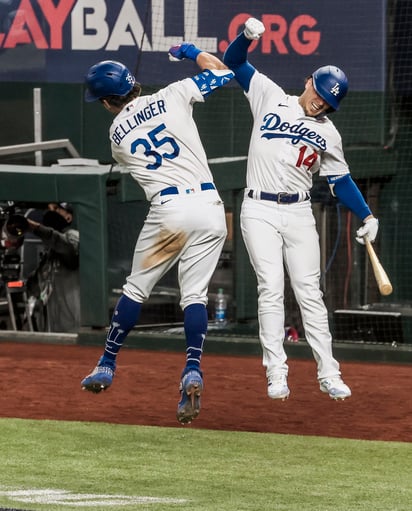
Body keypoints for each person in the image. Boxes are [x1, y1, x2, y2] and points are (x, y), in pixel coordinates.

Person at [216, 18, 378, 401]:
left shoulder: (329, 133)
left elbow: (341, 182)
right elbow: (234, 61)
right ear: (309, 81)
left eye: (329, 100)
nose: (321, 101)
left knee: (310, 292)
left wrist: (368, 215)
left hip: (299, 212)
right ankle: (276, 372)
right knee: (270, 287)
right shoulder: (270, 95)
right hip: (258, 209)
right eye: (320, 92)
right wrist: (247, 37)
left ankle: (328, 373)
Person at [80, 50, 234, 424]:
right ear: (132, 84)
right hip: (211, 207)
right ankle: (192, 369)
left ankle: (107, 363)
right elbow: (223, 72)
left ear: (106, 101)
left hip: (169, 213)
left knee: (135, 290)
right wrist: (192, 53)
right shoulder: (173, 93)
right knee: (195, 295)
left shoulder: (116, 134)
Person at [26, 202, 80, 333]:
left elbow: (68, 249)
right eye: (48, 209)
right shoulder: (50, 252)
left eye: (56, 209)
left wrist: (36, 228)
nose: (50, 212)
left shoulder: (74, 235)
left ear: (68, 217)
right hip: (53, 329)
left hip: (74, 328)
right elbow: (35, 287)